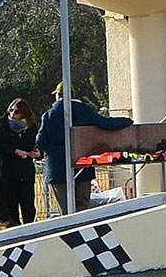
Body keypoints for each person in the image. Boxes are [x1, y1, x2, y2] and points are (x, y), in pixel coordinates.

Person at [35, 82, 133, 213]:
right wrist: (128, 121)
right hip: (82, 164)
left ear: (58, 95)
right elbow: (106, 123)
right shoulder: (85, 111)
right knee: (83, 208)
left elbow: (40, 142)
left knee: (66, 211)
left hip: (58, 168)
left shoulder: (49, 115)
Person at [0, 98, 41, 226]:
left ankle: (31, 233)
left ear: (24, 113)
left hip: (26, 173)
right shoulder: (2, 126)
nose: (13, 114)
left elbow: (38, 144)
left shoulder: (32, 128)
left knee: (28, 207)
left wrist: (38, 153)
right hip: (9, 172)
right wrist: (16, 151)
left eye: (17, 111)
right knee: (12, 207)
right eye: (11, 110)